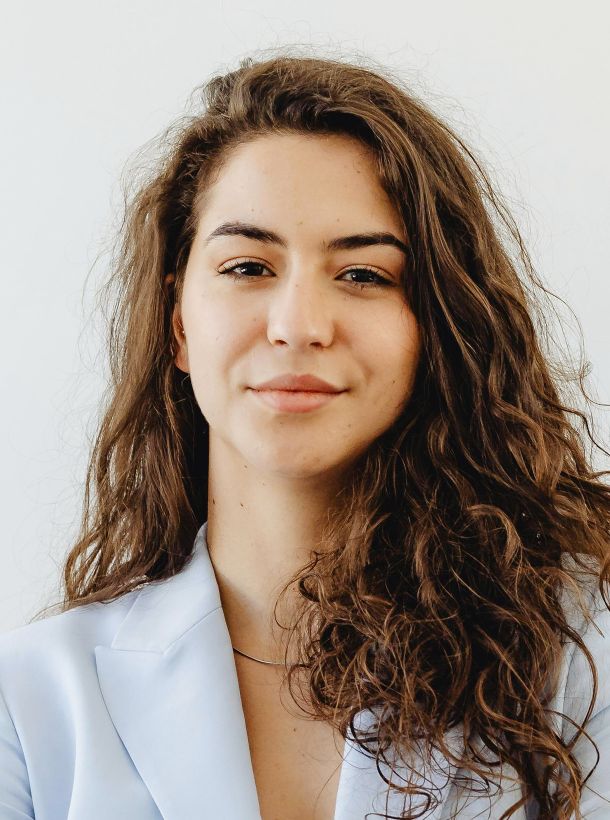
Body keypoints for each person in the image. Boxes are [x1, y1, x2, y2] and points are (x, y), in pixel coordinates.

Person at [1, 53, 609, 820]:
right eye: (248, 267)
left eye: (362, 275)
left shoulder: (581, 655)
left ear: (434, 326)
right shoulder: (30, 699)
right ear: (178, 324)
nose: (298, 326)